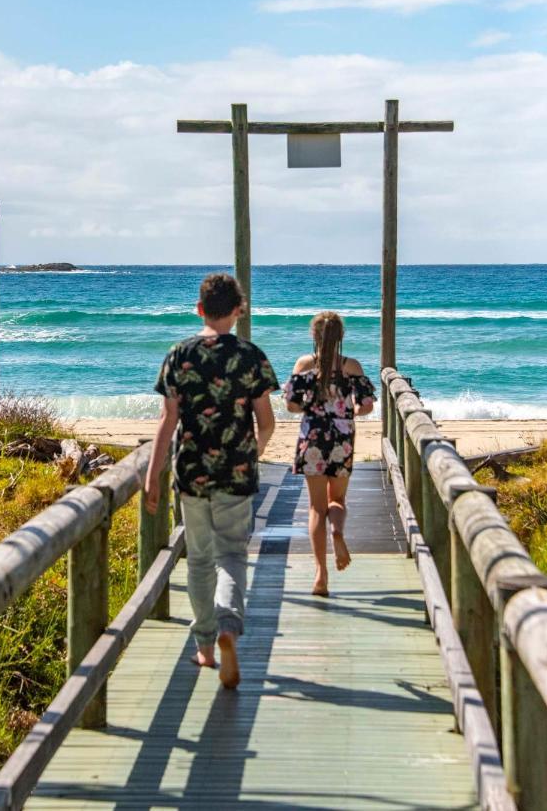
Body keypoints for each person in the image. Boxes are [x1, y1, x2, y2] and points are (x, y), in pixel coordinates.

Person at [146, 273, 278, 689]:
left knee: (200, 559)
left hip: (191, 472)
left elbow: (167, 423)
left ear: (200, 308)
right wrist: (251, 454)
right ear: (239, 311)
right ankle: (228, 624)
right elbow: (267, 423)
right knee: (233, 556)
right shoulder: (251, 356)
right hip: (236, 472)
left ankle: (204, 644)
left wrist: (152, 476)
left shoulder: (178, 355)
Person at [284, 311, 376, 596]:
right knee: (336, 500)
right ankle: (338, 532)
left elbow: (291, 405)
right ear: (341, 337)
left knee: (315, 508)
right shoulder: (351, 366)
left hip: (312, 436)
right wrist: (349, 412)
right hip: (342, 436)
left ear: (314, 336)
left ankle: (321, 574)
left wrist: (311, 409)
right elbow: (368, 405)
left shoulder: (304, 365)